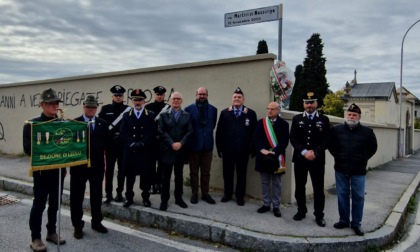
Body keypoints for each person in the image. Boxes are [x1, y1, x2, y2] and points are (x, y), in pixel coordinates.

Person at [23, 88, 66, 252]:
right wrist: (49, 149)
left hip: (59, 171)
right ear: (42, 104)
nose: (55, 106)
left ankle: (52, 232)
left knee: (55, 203)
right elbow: (27, 149)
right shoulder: (32, 124)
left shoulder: (62, 123)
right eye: (51, 103)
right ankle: (35, 237)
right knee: (39, 205)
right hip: (41, 172)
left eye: (56, 103)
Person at [329, 103, 377, 236]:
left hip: (358, 171)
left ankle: (356, 223)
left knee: (358, 197)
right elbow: (332, 147)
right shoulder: (336, 130)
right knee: (342, 195)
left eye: (354, 115)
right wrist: (339, 158)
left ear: (359, 117)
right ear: (346, 115)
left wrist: (363, 160)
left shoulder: (367, 132)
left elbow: (373, 149)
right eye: (349, 114)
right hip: (341, 168)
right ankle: (343, 220)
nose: (352, 117)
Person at [70, 96, 109, 239]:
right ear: (83, 107)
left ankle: (96, 222)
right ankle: (77, 225)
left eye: (93, 107)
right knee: (76, 196)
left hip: (97, 166)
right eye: (88, 107)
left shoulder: (102, 124)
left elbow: (107, 144)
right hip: (78, 167)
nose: (91, 109)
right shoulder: (75, 123)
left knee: (96, 196)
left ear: (96, 108)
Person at [290, 91, 330, 227]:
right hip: (300, 159)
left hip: (317, 160)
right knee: (300, 187)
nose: (309, 105)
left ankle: (319, 215)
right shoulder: (297, 119)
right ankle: (301, 211)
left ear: (316, 103)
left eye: (311, 102)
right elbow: (293, 138)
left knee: (318, 188)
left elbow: (327, 139)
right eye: (306, 103)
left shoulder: (324, 120)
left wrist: (316, 152)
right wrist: (304, 152)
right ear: (303, 104)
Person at [215, 87, 257, 206]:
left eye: (239, 97)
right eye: (235, 97)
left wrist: (252, 149)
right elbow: (219, 132)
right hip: (228, 151)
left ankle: (240, 197)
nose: (237, 99)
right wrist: (219, 148)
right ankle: (227, 194)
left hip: (243, 151)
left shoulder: (251, 113)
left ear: (243, 99)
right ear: (232, 99)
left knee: (241, 175)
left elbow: (254, 133)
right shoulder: (224, 113)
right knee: (227, 174)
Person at [120, 89, 156, 208]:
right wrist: (132, 143)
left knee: (145, 175)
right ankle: (129, 197)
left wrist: (142, 143)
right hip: (130, 151)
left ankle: (145, 198)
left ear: (144, 101)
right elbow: (123, 133)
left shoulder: (150, 115)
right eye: (135, 100)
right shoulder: (126, 115)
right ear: (132, 101)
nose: (137, 102)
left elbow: (151, 132)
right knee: (129, 176)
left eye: (140, 100)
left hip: (144, 150)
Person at [157, 92, 193, 211]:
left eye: (178, 99)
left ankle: (179, 198)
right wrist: (172, 143)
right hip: (168, 149)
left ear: (181, 101)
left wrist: (181, 143)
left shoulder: (187, 115)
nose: (176, 101)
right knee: (165, 176)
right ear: (171, 101)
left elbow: (190, 131)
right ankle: (164, 200)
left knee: (179, 176)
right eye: (174, 99)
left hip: (181, 150)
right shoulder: (163, 115)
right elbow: (161, 131)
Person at [253, 102, 289, 217]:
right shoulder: (261, 123)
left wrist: (275, 151)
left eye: (272, 109)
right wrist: (261, 149)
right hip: (263, 156)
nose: (269, 111)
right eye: (268, 108)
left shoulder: (284, 124)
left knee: (276, 182)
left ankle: (276, 206)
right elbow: (255, 138)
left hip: (277, 157)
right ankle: (266, 204)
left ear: (278, 110)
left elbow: (284, 141)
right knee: (264, 182)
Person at [185, 87, 218, 205]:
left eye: (204, 94)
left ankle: (205, 194)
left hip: (207, 146)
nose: (202, 96)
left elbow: (212, 126)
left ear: (207, 95)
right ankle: (194, 193)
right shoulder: (188, 109)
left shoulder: (213, 110)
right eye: (200, 94)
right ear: (196, 95)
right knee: (193, 171)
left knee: (206, 172)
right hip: (193, 146)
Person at [98, 85, 130, 204]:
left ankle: (119, 193)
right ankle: (108, 194)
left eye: (120, 95)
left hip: (122, 145)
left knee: (122, 171)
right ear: (112, 96)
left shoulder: (128, 110)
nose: (118, 97)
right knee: (109, 171)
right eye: (116, 95)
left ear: (123, 97)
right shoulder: (105, 109)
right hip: (110, 145)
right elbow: (102, 127)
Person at [145, 86, 171, 194]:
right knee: (151, 164)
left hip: (162, 141)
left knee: (161, 164)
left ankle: (159, 184)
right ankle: (151, 184)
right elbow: (146, 124)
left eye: (161, 94)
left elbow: (169, 124)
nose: (159, 96)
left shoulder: (168, 107)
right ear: (154, 95)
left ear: (164, 95)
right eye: (157, 94)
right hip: (151, 140)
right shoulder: (148, 107)